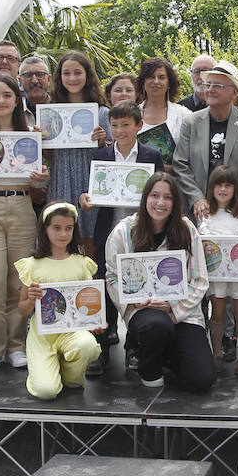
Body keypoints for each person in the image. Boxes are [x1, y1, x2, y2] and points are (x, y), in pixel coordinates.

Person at [104, 173, 214, 391]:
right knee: (155, 325)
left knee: (202, 379)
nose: (160, 203)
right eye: (155, 196)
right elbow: (112, 276)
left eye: (168, 197)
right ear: (145, 198)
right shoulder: (124, 231)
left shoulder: (187, 229)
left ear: (175, 202)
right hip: (144, 312)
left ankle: (168, 354)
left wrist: (172, 307)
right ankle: (150, 368)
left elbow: (200, 279)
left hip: (183, 313)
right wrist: (133, 302)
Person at [79, 101, 164, 377]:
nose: (119, 130)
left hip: (141, 234)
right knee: (105, 288)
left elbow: (161, 193)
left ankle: (133, 346)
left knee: (138, 289)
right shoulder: (100, 155)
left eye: (126, 125)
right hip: (108, 233)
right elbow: (89, 191)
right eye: (114, 125)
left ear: (139, 126)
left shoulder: (152, 155)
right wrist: (85, 200)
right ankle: (101, 348)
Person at [0, 73, 47, 373]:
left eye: (7, 95)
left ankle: (16, 345)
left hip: (21, 206)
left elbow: (40, 185)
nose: (1, 101)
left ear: (17, 100)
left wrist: (42, 179)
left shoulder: (31, 135)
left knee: (20, 282)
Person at [15, 203, 102, 399]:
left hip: (72, 331)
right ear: (44, 229)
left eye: (68, 228)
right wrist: (30, 300)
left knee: (87, 345)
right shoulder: (32, 265)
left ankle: (70, 375)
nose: (63, 234)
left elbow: (89, 302)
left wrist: (96, 321)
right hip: (43, 335)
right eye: (56, 228)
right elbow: (21, 310)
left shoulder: (81, 263)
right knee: (47, 391)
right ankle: (46, 370)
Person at [173, 60, 238, 221]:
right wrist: (196, 198)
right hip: (200, 210)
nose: (209, 90)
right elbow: (180, 164)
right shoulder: (191, 122)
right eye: (208, 84)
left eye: (217, 86)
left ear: (234, 92)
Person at [46, 50, 110, 253]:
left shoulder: (101, 113)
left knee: (90, 240)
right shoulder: (50, 112)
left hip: (89, 180)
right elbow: (49, 157)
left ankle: (92, 284)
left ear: (87, 75)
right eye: (67, 73)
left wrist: (101, 142)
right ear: (59, 77)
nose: (72, 78)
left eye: (77, 72)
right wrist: (41, 140)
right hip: (61, 179)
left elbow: (111, 156)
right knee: (61, 240)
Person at [200, 166, 238, 376]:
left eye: (228, 185)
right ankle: (216, 354)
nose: (223, 190)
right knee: (217, 314)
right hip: (216, 274)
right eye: (219, 185)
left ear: (236, 189)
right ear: (211, 188)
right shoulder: (206, 216)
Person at [137, 57, 192, 142]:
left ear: (169, 83)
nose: (156, 81)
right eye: (151, 77)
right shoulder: (132, 114)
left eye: (161, 77)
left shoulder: (183, 115)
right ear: (143, 82)